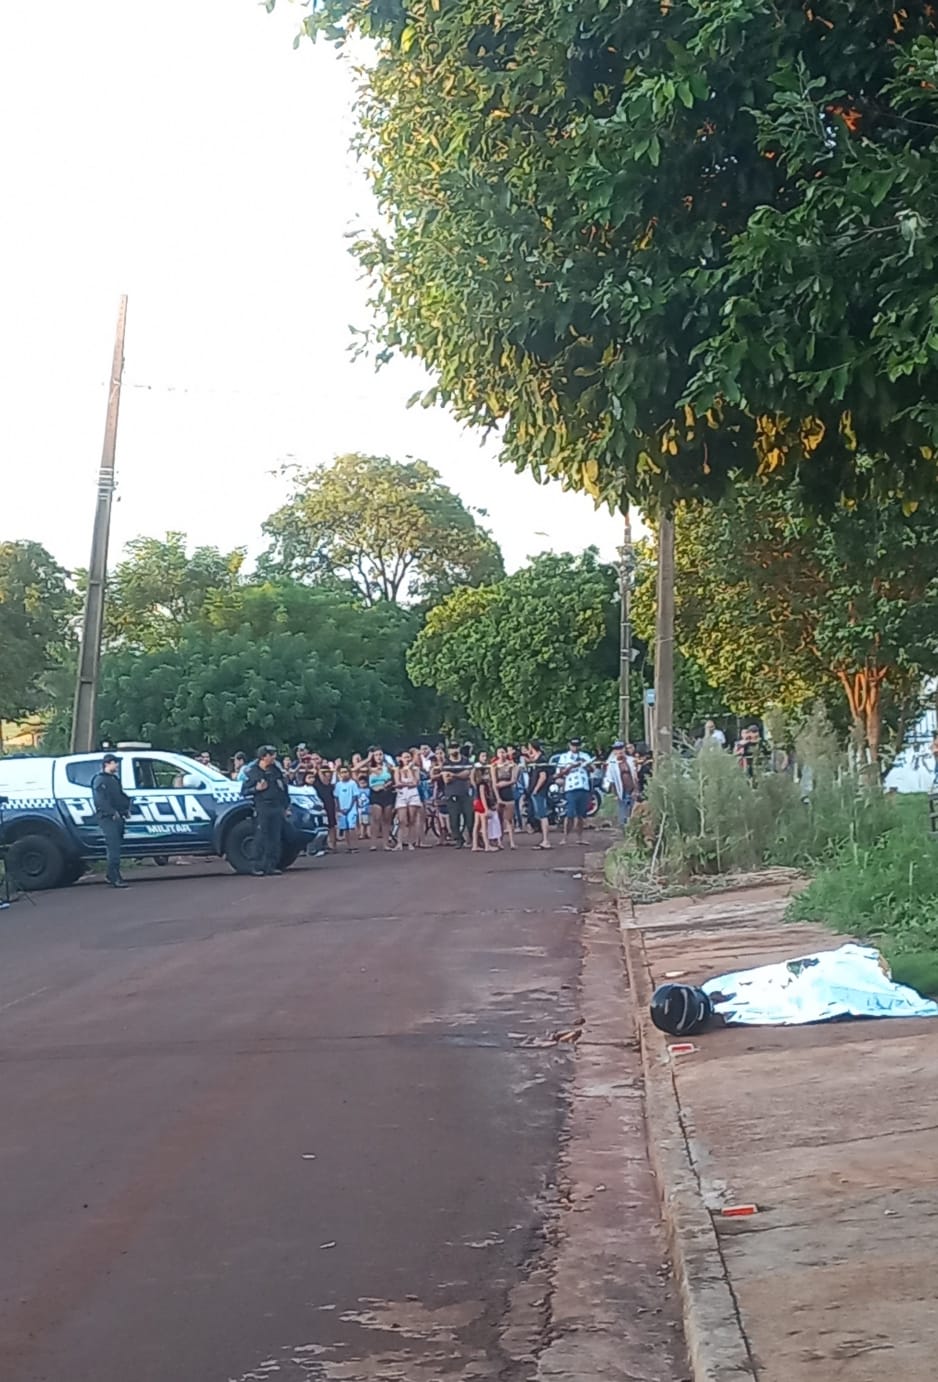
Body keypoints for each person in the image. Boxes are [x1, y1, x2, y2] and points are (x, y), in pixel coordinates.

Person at [240, 744, 289, 876]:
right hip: (262, 807)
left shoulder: (275, 770)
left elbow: (283, 788)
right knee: (261, 836)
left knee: (275, 837)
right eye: (271, 755)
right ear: (263, 756)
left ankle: (270, 866)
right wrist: (256, 789)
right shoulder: (252, 772)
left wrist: (286, 806)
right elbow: (244, 791)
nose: (274, 757)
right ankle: (256, 866)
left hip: (277, 806)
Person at [91, 752, 133, 888]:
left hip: (118, 817)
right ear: (107, 764)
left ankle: (111, 875)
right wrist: (111, 812)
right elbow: (100, 801)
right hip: (107, 818)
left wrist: (125, 809)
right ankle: (115, 877)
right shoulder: (100, 780)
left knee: (116, 846)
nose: (117, 765)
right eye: (115, 763)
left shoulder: (114, 779)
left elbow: (119, 796)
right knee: (113, 847)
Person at [554, 736, 594, 845]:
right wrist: (570, 767)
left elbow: (592, 769)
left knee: (581, 815)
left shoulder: (585, 756)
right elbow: (559, 773)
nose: (575, 748)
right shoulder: (564, 757)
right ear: (569, 745)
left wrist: (586, 764)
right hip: (570, 788)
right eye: (573, 745)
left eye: (577, 745)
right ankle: (565, 837)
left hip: (583, 786)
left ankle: (580, 838)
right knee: (570, 813)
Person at [441, 743, 474, 847]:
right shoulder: (446, 763)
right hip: (451, 794)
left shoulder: (466, 760)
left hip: (465, 793)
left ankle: (472, 837)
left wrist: (454, 775)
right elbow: (446, 779)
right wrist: (461, 775)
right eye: (451, 748)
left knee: (470, 817)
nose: (454, 750)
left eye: (456, 748)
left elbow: (468, 773)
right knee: (454, 819)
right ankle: (459, 839)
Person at [524, 740, 554, 849]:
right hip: (535, 791)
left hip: (539, 792)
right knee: (540, 815)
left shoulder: (541, 760)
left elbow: (543, 776)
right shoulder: (536, 760)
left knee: (542, 815)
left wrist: (536, 789)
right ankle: (544, 840)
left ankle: (546, 841)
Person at [366, 748, 396, 851]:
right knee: (376, 818)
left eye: (380, 754)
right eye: (376, 755)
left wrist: (388, 784)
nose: (379, 757)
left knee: (387, 819)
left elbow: (393, 779)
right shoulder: (369, 768)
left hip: (386, 793)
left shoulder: (388, 767)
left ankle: (385, 843)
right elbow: (357, 768)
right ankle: (373, 843)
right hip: (375, 794)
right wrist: (368, 758)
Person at [604, 742, 638, 828]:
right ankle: (624, 830)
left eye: (621, 749)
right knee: (623, 814)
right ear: (614, 751)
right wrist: (615, 794)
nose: (619, 751)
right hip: (621, 791)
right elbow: (610, 780)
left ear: (624, 749)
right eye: (617, 749)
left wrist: (636, 789)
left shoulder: (631, 760)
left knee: (634, 812)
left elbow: (636, 775)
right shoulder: (612, 764)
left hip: (633, 790)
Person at [491, 746, 518, 849]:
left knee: (509, 819)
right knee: (499, 819)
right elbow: (494, 783)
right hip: (498, 794)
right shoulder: (494, 766)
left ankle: (512, 842)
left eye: (503, 752)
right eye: (499, 752)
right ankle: (499, 841)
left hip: (508, 793)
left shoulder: (511, 765)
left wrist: (503, 784)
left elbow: (513, 780)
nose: (501, 754)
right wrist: (498, 798)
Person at [394, 750, 422, 851]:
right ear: (401, 759)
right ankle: (399, 843)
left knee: (412, 820)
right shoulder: (398, 769)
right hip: (402, 795)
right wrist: (407, 784)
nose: (407, 759)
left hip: (413, 795)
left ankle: (410, 843)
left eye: (409, 757)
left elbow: (415, 782)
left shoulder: (415, 769)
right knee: (402, 820)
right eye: (405, 757)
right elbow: (397, 783)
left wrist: (409, 770)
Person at [471, 765, 498, 852]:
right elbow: (483, 797)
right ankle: (487, 846)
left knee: (477, 825)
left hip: (478, 804)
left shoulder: (478, 784)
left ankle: (475, 845)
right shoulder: (482, 785)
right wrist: (486, 809)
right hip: (482, 805)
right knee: (484, 826)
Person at [334, 766, 358, 851]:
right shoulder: (338, 785)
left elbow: (354, 796)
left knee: (352, 827)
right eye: (342, 772)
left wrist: (349, 808)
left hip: (351, 808)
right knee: (345, 828)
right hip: (341, 809)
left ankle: (354, 845)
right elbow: (336, 797)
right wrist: (339, 808)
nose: (344, 774)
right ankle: (349, 846)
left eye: (346, 772)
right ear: (339, 774)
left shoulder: (352, 783)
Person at [315, 764, 338, 851]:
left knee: (331, 825)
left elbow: (326, 781)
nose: (327, 775)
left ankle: (333, 845)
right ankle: (322, 844)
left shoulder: (330, 784)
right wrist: (318, 769)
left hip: (329, 805)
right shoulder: (316, 783)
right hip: (320, 806)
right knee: (321, 826)